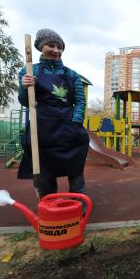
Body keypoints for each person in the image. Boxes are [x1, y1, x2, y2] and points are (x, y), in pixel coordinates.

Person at [17, 28, 89, 200]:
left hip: (69, 131)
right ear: (41, 47)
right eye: (51, 45)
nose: (56, 51)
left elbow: (80, 101)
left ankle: (80, 205)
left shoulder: (71, 75)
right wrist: (24, 87)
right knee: (45, 175)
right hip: (42, 132)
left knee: (76, 172)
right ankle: (49, 206)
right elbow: (25, 101)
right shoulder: (29, 71)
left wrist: (75, 123)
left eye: (60, 47)